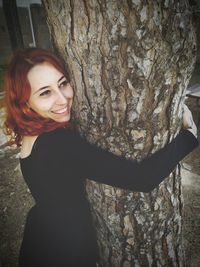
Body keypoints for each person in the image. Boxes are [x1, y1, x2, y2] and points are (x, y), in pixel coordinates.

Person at [4, 48, 198, 267]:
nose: (63, 98)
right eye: (45, 93)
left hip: (40, 235)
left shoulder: (31, 134)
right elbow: (143, 178)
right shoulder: (58, 144)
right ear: (25, 103)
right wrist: (189, 136)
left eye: (63, 83)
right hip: (65, 249)